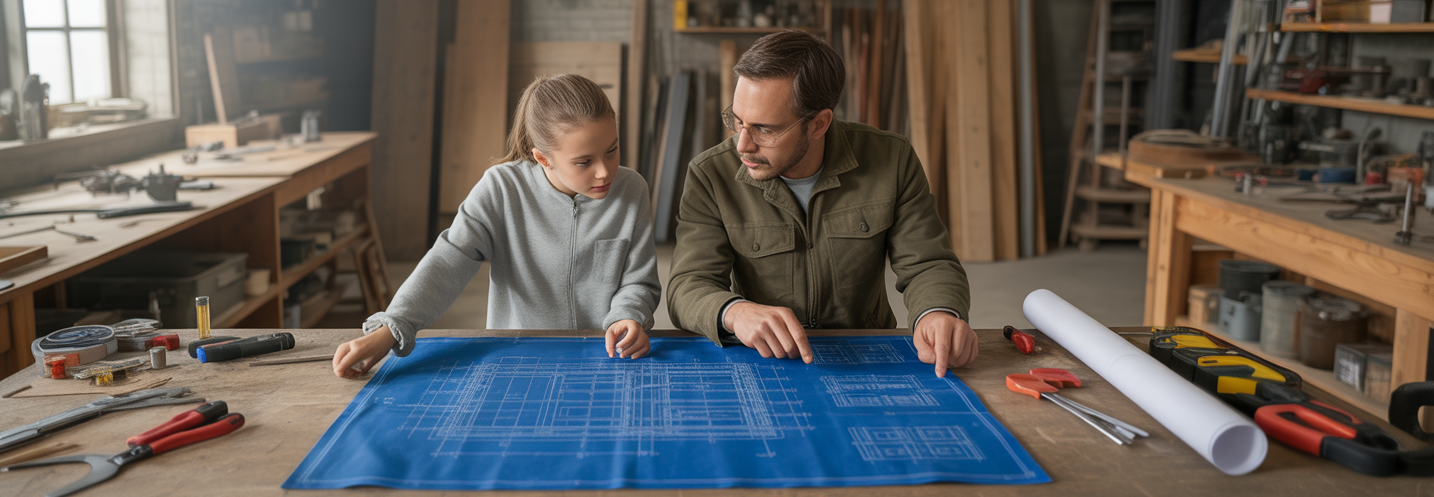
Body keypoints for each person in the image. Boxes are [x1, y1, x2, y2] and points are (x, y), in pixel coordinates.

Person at [666, 30, 976, 377]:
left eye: (764, 130)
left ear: (818, 124)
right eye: (737, 121)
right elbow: (687, 286)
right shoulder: (711, 175)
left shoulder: (892, 159)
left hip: (866, 355)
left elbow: (929, 263)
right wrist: (734, 312)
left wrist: (938, 312)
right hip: (764, 359)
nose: (743, 145)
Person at [333, 74, 660, 378]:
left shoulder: (633, 190)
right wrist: (390, 328)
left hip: (606, 358)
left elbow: (639, 282)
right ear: (543, 158)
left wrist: (628, 316)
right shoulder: (501, 189)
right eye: (584, 162)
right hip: (518, 358)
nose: (604, 172)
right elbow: (448, 261)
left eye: (612, 150)